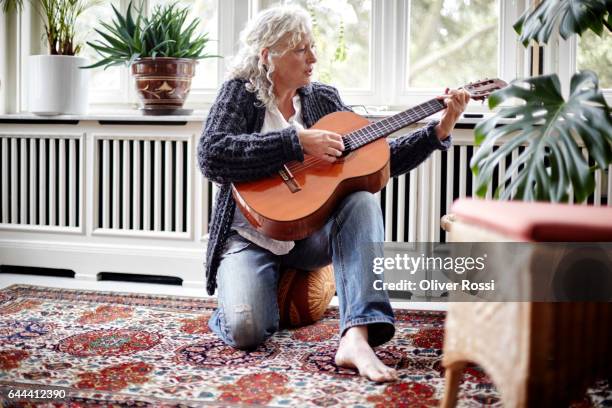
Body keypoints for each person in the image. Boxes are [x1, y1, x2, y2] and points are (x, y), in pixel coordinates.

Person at [197, 5, 469, 382]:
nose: (313, 58)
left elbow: (375, 158)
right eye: (300, 50)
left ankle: (356, 337)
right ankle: (255, 290)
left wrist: (437, 131)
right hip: (249, 236)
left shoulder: (323, 99)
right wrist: (296, 142)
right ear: (267, 56)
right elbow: (212, 155)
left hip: (308, 234)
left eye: (312, 47)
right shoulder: (241, 94)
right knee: (247, 332)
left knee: (361, 200)